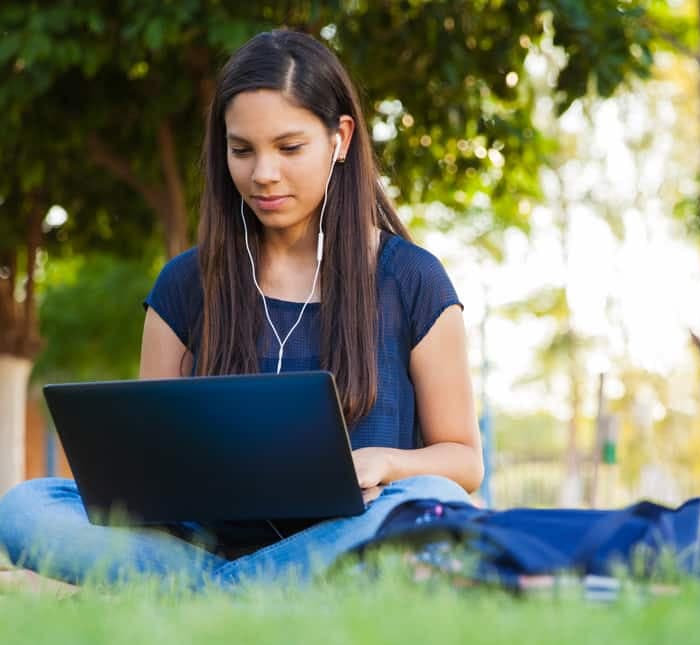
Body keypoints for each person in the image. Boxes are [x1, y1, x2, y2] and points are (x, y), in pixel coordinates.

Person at [0, 29, 483, 589]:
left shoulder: (412, 279)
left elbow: (464, 463)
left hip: (352, 530)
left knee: (431, 500)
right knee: (26, 507)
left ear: (340, 138)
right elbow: (148, 472)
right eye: (242, 150)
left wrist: (389, 463)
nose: (263, 174)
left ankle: (208, 592)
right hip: (209, 544)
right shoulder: (185, 283)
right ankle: (259, 588)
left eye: (289, 147)